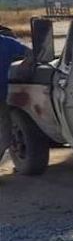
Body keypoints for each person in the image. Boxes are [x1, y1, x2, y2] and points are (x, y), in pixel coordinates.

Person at [0, 28, 30, 161]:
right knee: (5, 134)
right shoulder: (7, 42)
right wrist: (24, 66)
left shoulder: (7, 42)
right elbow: (32, 53)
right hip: (1, 96)